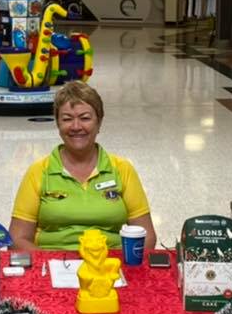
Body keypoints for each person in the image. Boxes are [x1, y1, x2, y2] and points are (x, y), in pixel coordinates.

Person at [9, 81, 158, 252]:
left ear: (99, 122)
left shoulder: (122, 169)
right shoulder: (38, 171)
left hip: (112, 264)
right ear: (58, 124)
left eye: (85, 118)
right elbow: (17, 238)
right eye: (67, 119)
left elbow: (146, 235)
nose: (76, 126)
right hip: (53, 264)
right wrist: (50, 264)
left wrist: (122, 266)